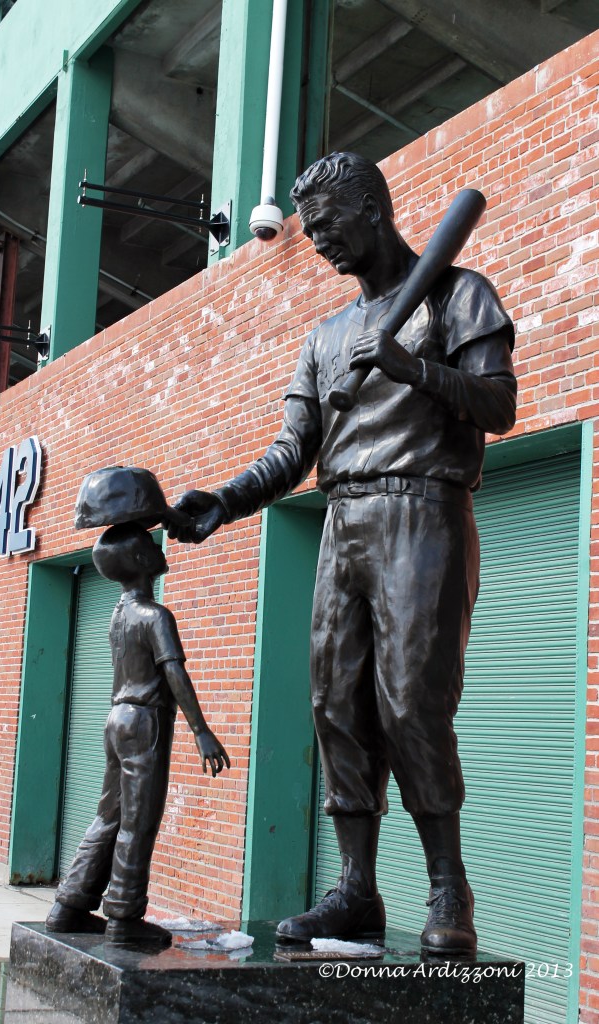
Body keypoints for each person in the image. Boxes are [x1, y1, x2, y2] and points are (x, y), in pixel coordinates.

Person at [167, 152, 516, 954]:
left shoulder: (457, 294)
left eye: (327, 224)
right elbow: (293, 450)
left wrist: (414, 369)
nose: (318, 241)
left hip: (423, 508)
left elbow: (497, 405)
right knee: (337, 705)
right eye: (310, 229)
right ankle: (356, 890)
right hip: (343, 519)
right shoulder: (324, 337)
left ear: (370, 207)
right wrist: (223, 500)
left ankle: (445, 886)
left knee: (409, 702)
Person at [46, 521, 230, 943]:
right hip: (145, 720)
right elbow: (174, 673)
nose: (159, 547)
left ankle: (68, 906)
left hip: (117, 720)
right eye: (151, 543)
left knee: (107, 816)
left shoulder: (117, 615)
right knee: (138, 822)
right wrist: (201, 730)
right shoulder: (154, 615)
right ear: (142, 561)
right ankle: (125, 920)